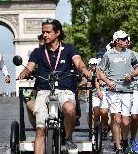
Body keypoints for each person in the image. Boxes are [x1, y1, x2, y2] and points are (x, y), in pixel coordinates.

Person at [17, 18, 90, 154]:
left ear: (57, 33)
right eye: (43, 32)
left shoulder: (69, 49)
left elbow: (79, 62)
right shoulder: (37, 52)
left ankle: (67, 138)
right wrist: (24, 72)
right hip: (44, 91)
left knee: (69, 108)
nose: (44, 35)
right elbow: (30, 66)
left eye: (48, 32)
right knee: (40, 130)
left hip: (65, 90)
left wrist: (84, 70)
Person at [97, 30, 138, 153]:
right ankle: (119, 147)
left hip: (127, 90)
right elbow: (100, 72)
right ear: (117, 41)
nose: (126, 40)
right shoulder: (108, 55)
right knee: (116, 119)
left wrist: (131, 74)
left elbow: (137, 69)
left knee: (126, 122)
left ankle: (125, 141)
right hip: (113, 91)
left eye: (127, 38)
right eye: (124, 39)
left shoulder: (131, 54)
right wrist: (108, 82)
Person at [23, 33, 44, 129]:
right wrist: (26, 73)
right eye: (40, 40)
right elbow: (30, 66)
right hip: (40, 87)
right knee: (28, 102)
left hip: (59, 87)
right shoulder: (37, 53)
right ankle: (37, 126)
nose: (41, 42)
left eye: (42, 39)